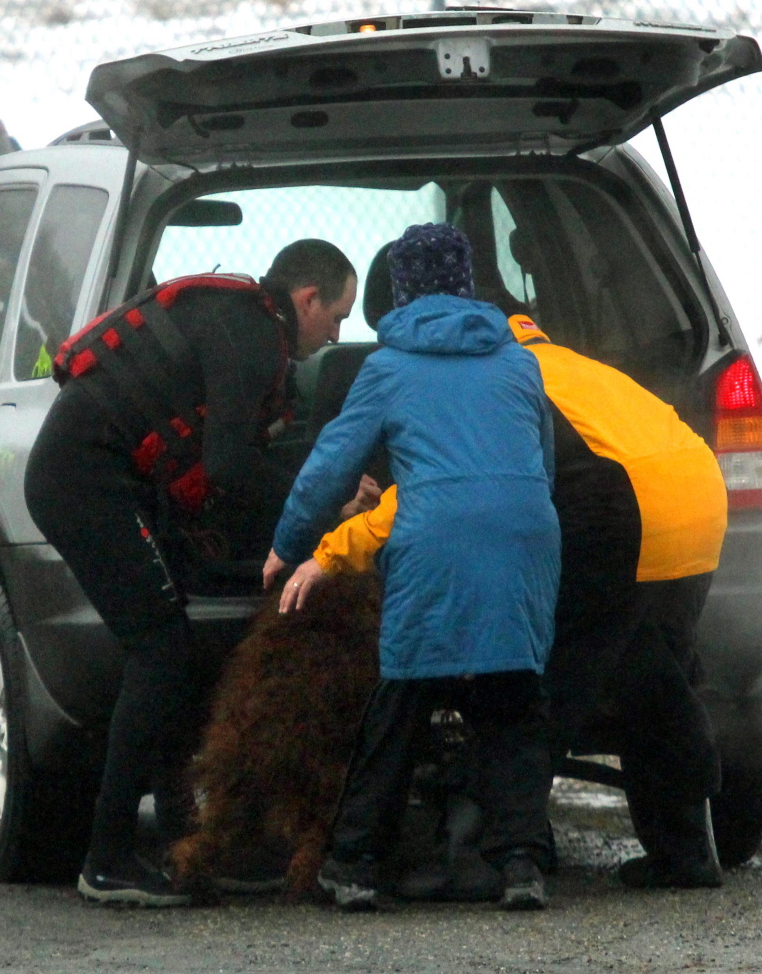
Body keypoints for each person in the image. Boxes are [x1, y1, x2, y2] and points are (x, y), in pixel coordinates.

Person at [281, 309, 728, 892]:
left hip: (620, 516)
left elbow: (446, 489)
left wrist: (337, 545)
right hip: (698, 504)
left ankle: (479, 855)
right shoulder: (570, 365)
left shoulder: (498, 375)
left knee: (536, 684)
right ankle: (686, 852)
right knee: (649, 676)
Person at [24, 238, 358, 906]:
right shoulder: (255, 336)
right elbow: (230, 466)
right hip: (82, 481)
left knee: (167, 646)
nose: (336, 335)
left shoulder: (242, 322)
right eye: (338, 316)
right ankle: (109, 858)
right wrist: (325, 500)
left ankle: (188, 842)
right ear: (307, 299)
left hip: (105, 478)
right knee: (159, 649)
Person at [264, 223, 561, 912]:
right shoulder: (518, 360)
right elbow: (540, 463)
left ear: (399, 293)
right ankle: (520, 863)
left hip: (434, 539)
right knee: (512, 698)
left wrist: (287, 545)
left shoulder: (388, 368)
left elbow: (329, 465)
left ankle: (356, 862)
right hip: (524, 533)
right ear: (466, 286)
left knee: (402, 698)